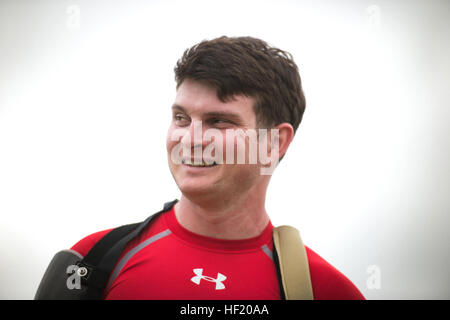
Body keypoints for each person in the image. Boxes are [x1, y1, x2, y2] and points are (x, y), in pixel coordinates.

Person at [70, 36, 365, 300]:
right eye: (181, 118)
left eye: (219, 121)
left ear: (274, 143)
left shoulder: (325, 290)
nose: (190, 139)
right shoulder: (92, 260)